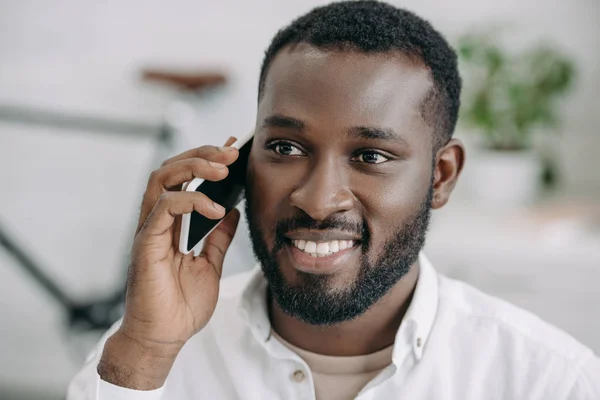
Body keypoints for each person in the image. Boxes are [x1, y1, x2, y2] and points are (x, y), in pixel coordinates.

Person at [67, 1, 600, 399]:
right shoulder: (145, 352)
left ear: (440, 175)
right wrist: (146, 353)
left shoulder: (549, 380)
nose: (319, 201)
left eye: (371, 155)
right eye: (285, 147)